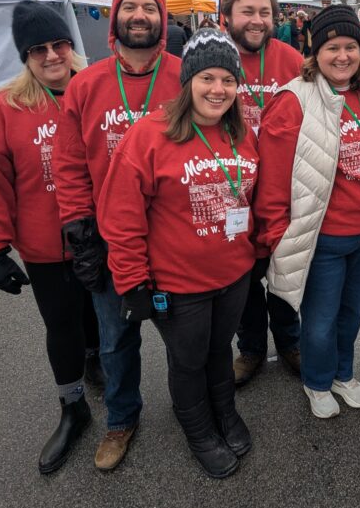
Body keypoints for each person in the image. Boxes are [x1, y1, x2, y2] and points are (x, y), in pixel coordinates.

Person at [98, 29, 257, 479]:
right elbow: (121, 218)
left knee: (219, 349)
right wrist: (132, 282)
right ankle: (198, 427)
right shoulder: (149, 135)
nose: (218, 89)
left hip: (233, 272)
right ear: (188, 81)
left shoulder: (240, 132)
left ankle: (224, 410)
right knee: (188, 359)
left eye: (228, 80)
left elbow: (251, 197)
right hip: (178, 283)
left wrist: (259, 249)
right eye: (207, 78)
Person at [0, 1, 101, 474]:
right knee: (62, 323)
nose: (51, 55)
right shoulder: (4, 109)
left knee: (100, 314)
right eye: (38, 49)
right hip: (47, 247)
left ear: (70, 45)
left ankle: (97, 361)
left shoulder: (97, 90)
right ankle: (73, 406)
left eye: (58, 44)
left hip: (103, 236)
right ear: (25, 56)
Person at [53, 0, 183, 471]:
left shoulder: (185, 77)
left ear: (162, 20)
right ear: (114, 18)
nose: (139, 15)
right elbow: (69, 164)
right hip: (111, 238)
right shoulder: (86, 85)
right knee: (115, 338)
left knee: (182, 337)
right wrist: (79, 227)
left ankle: (192, 410)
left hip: (174, 235)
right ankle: (121, 419)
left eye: (149, 7)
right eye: (130, 7)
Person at [254, 5, 360, 419]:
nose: (342, 56)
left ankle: (342, 373)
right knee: (319, 320)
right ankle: (316, 381)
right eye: (332, 48)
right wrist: (276, 237)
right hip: (324, 237)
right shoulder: (294, 98)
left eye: (351, 46)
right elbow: (273, 179)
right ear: (316, 52)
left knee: (351, 315)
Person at [222, 0, 304, 387]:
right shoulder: (214, 58)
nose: (257, 20)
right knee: (244, 277)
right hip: (230, 191)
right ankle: (251, 348)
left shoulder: (291, 59)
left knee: (284, 268)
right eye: (247, 11)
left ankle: (290, 342)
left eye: (265, 12)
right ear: (228, 16)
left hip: (283, 188)